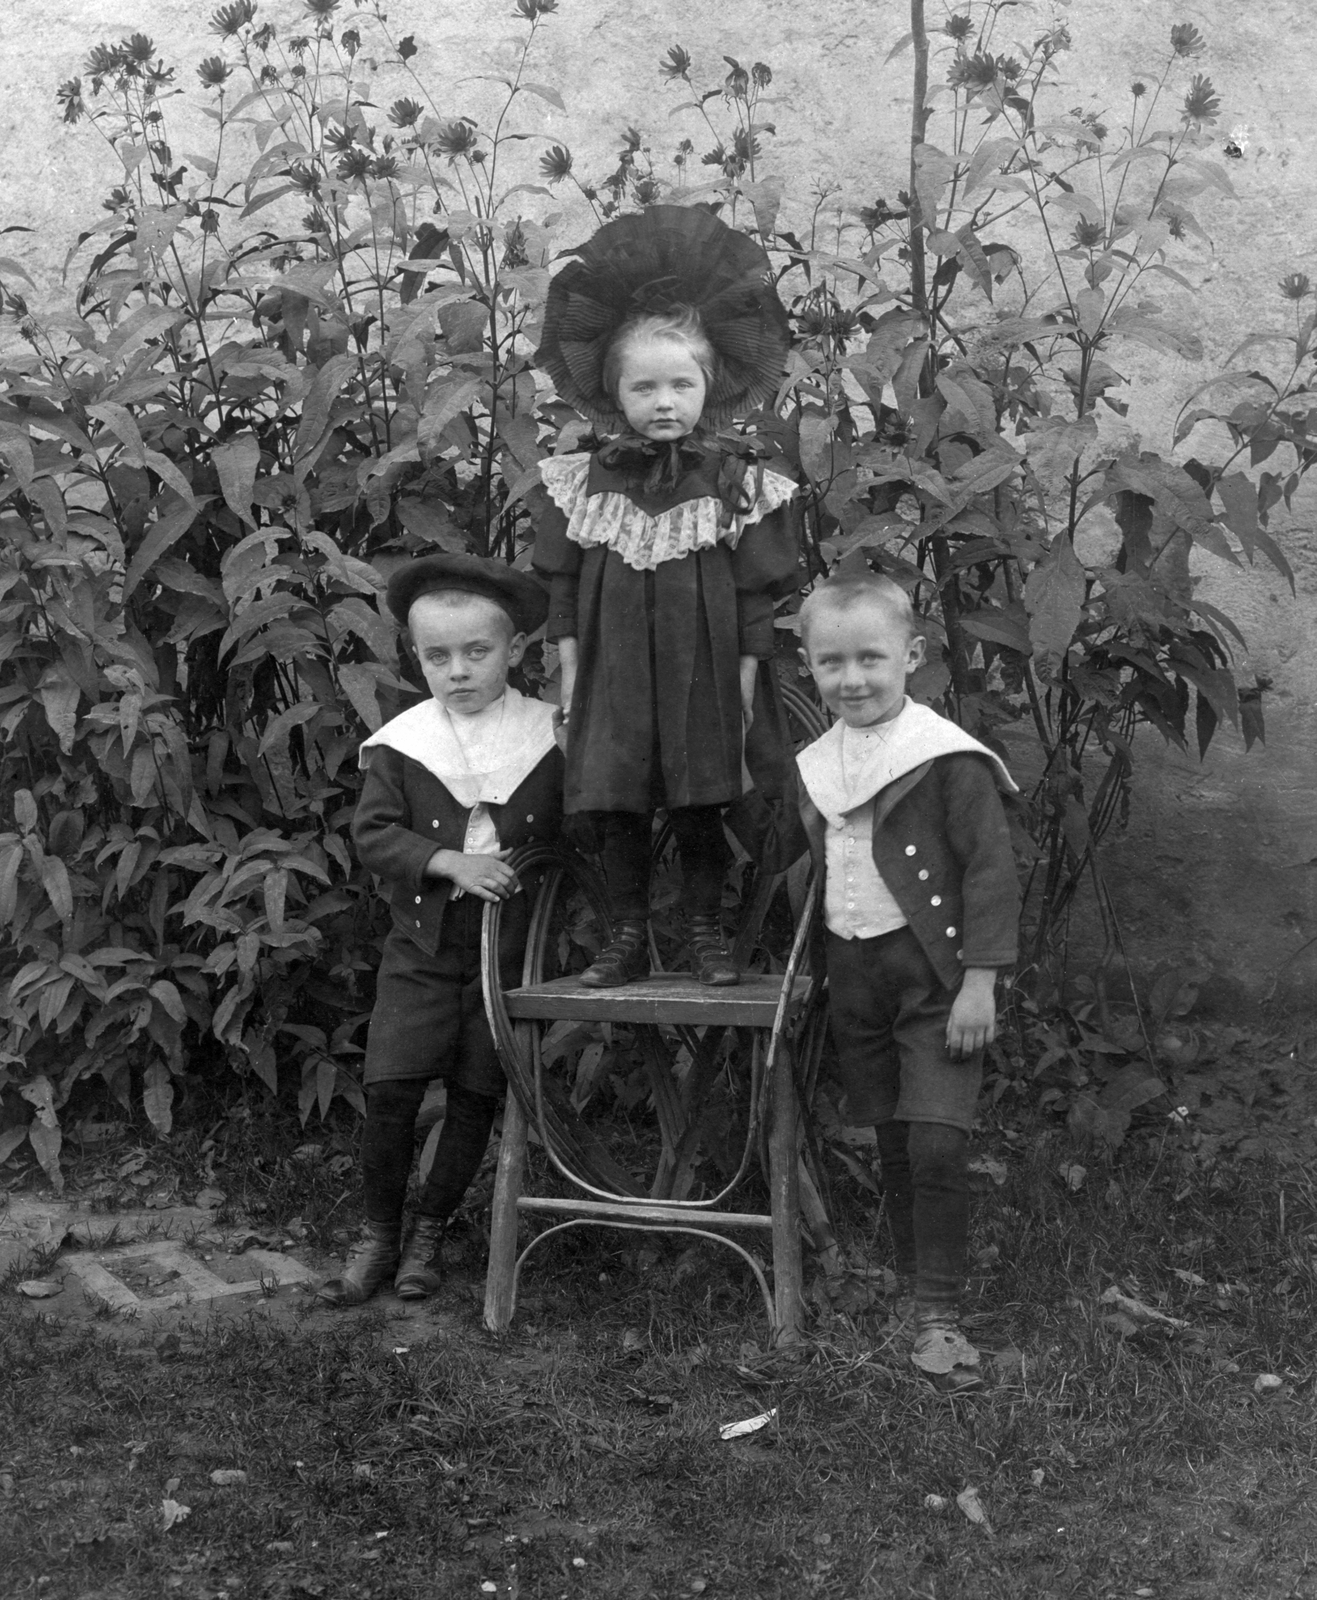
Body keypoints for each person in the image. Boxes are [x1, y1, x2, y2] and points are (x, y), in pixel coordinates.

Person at [531, 205, 801, 989]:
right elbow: (562, 585)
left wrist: (744, 683)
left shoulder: (736, 480)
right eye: (642, 386)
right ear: (612, 392)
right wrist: (570, 675)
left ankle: (704, 930)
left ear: (709, 385)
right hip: (611, 670)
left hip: (703, 671)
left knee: (698, 799)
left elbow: (754, 596)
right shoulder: (582, 480)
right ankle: (624, 933)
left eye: (680, 384)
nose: (663, 401)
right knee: (616, 798)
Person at [793, 571, 1020, 1388]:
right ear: (809, 667)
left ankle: (939, 1311)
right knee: (888, 1132)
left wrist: (979, 982)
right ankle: (909, 1278)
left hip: (933, 976)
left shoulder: (942, 756)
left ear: (911, 657)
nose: (851, 679)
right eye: (830, 663)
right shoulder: (816, 762)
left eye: (870, 659)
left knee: (935, 1138)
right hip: (854, 973)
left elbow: (989, 871)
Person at [318, 555, 562, 1307]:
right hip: (422, 946)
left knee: (474, 1092)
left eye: (476, 652)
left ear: (514, 650)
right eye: (437, 656)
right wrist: (448, 860)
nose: (457, 672)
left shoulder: (546, 733)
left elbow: (575, 829)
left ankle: (429, 1232)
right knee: (391, 1088)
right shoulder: (406, 742)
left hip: (505, 948)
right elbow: (374, 834)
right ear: (416, 659)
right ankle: (378, 1234)